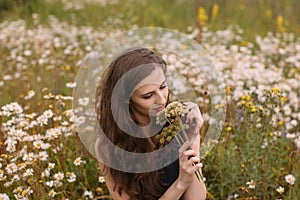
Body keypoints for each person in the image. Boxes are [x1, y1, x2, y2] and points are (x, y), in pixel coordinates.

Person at [94, 47, 206, 200]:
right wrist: (180, 183)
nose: (161, 99)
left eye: (163, 86)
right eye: (148, 95)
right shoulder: (108, 146)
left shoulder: (178, 120)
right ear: (126, 98)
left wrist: (193, 136)